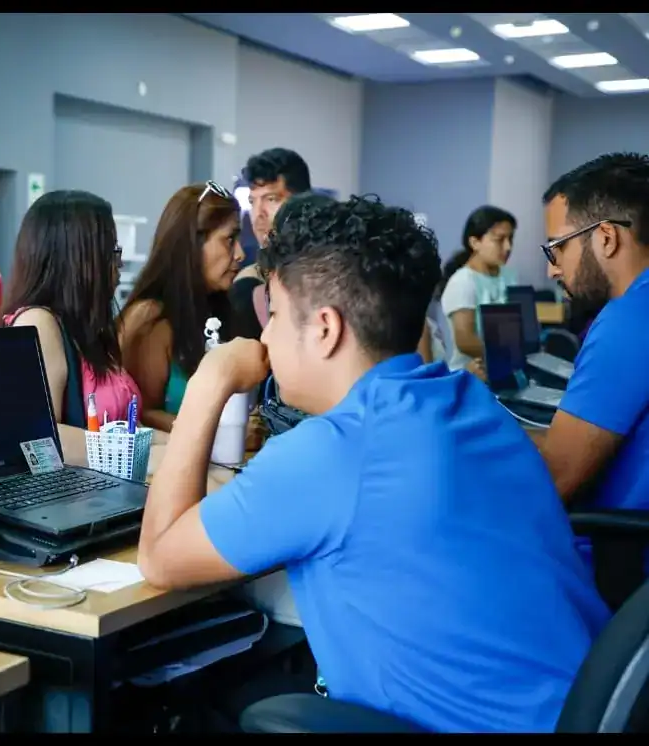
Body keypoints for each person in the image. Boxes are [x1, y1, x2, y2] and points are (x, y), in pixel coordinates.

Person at [136, 194, 610, 733]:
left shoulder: (331, 451)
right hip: (583, 710)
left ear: (324, 328)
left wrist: (209, 381)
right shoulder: (471, 402)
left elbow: (159, 557)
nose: (264, 336)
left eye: (275, 313)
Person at [536, 152, 649, 569]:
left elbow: (555, 480)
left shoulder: (629, 320)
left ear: (605, 237)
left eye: (557, 248)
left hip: (620, 563)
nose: (553, 269)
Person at [1, 190, 142, 434]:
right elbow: (43, 439)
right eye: (111, 252)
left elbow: (134, 430)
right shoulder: (38, 323)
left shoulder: (85, 329)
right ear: (79, 260)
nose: (118, 265)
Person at [118, 181, 244, 431]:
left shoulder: (216, 307)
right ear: (192, 245)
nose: (240, 253)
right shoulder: (150, 318)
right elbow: (138, 415)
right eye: (230, 239)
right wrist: (219, 433)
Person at [229, 148, 313, 340]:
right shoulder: (247, 288)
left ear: (303, 203)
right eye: (252, 202)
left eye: (271, 199)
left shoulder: (332, 274)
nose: (258, 214)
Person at [439, 205, 518, 371]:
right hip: (473, 374)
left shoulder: (508, 275)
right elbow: (465, 341)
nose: (508, 247)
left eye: (510, 239)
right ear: (475, 242)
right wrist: (510, 355)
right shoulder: (462, 282)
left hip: (507, 368)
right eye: (499, 240)